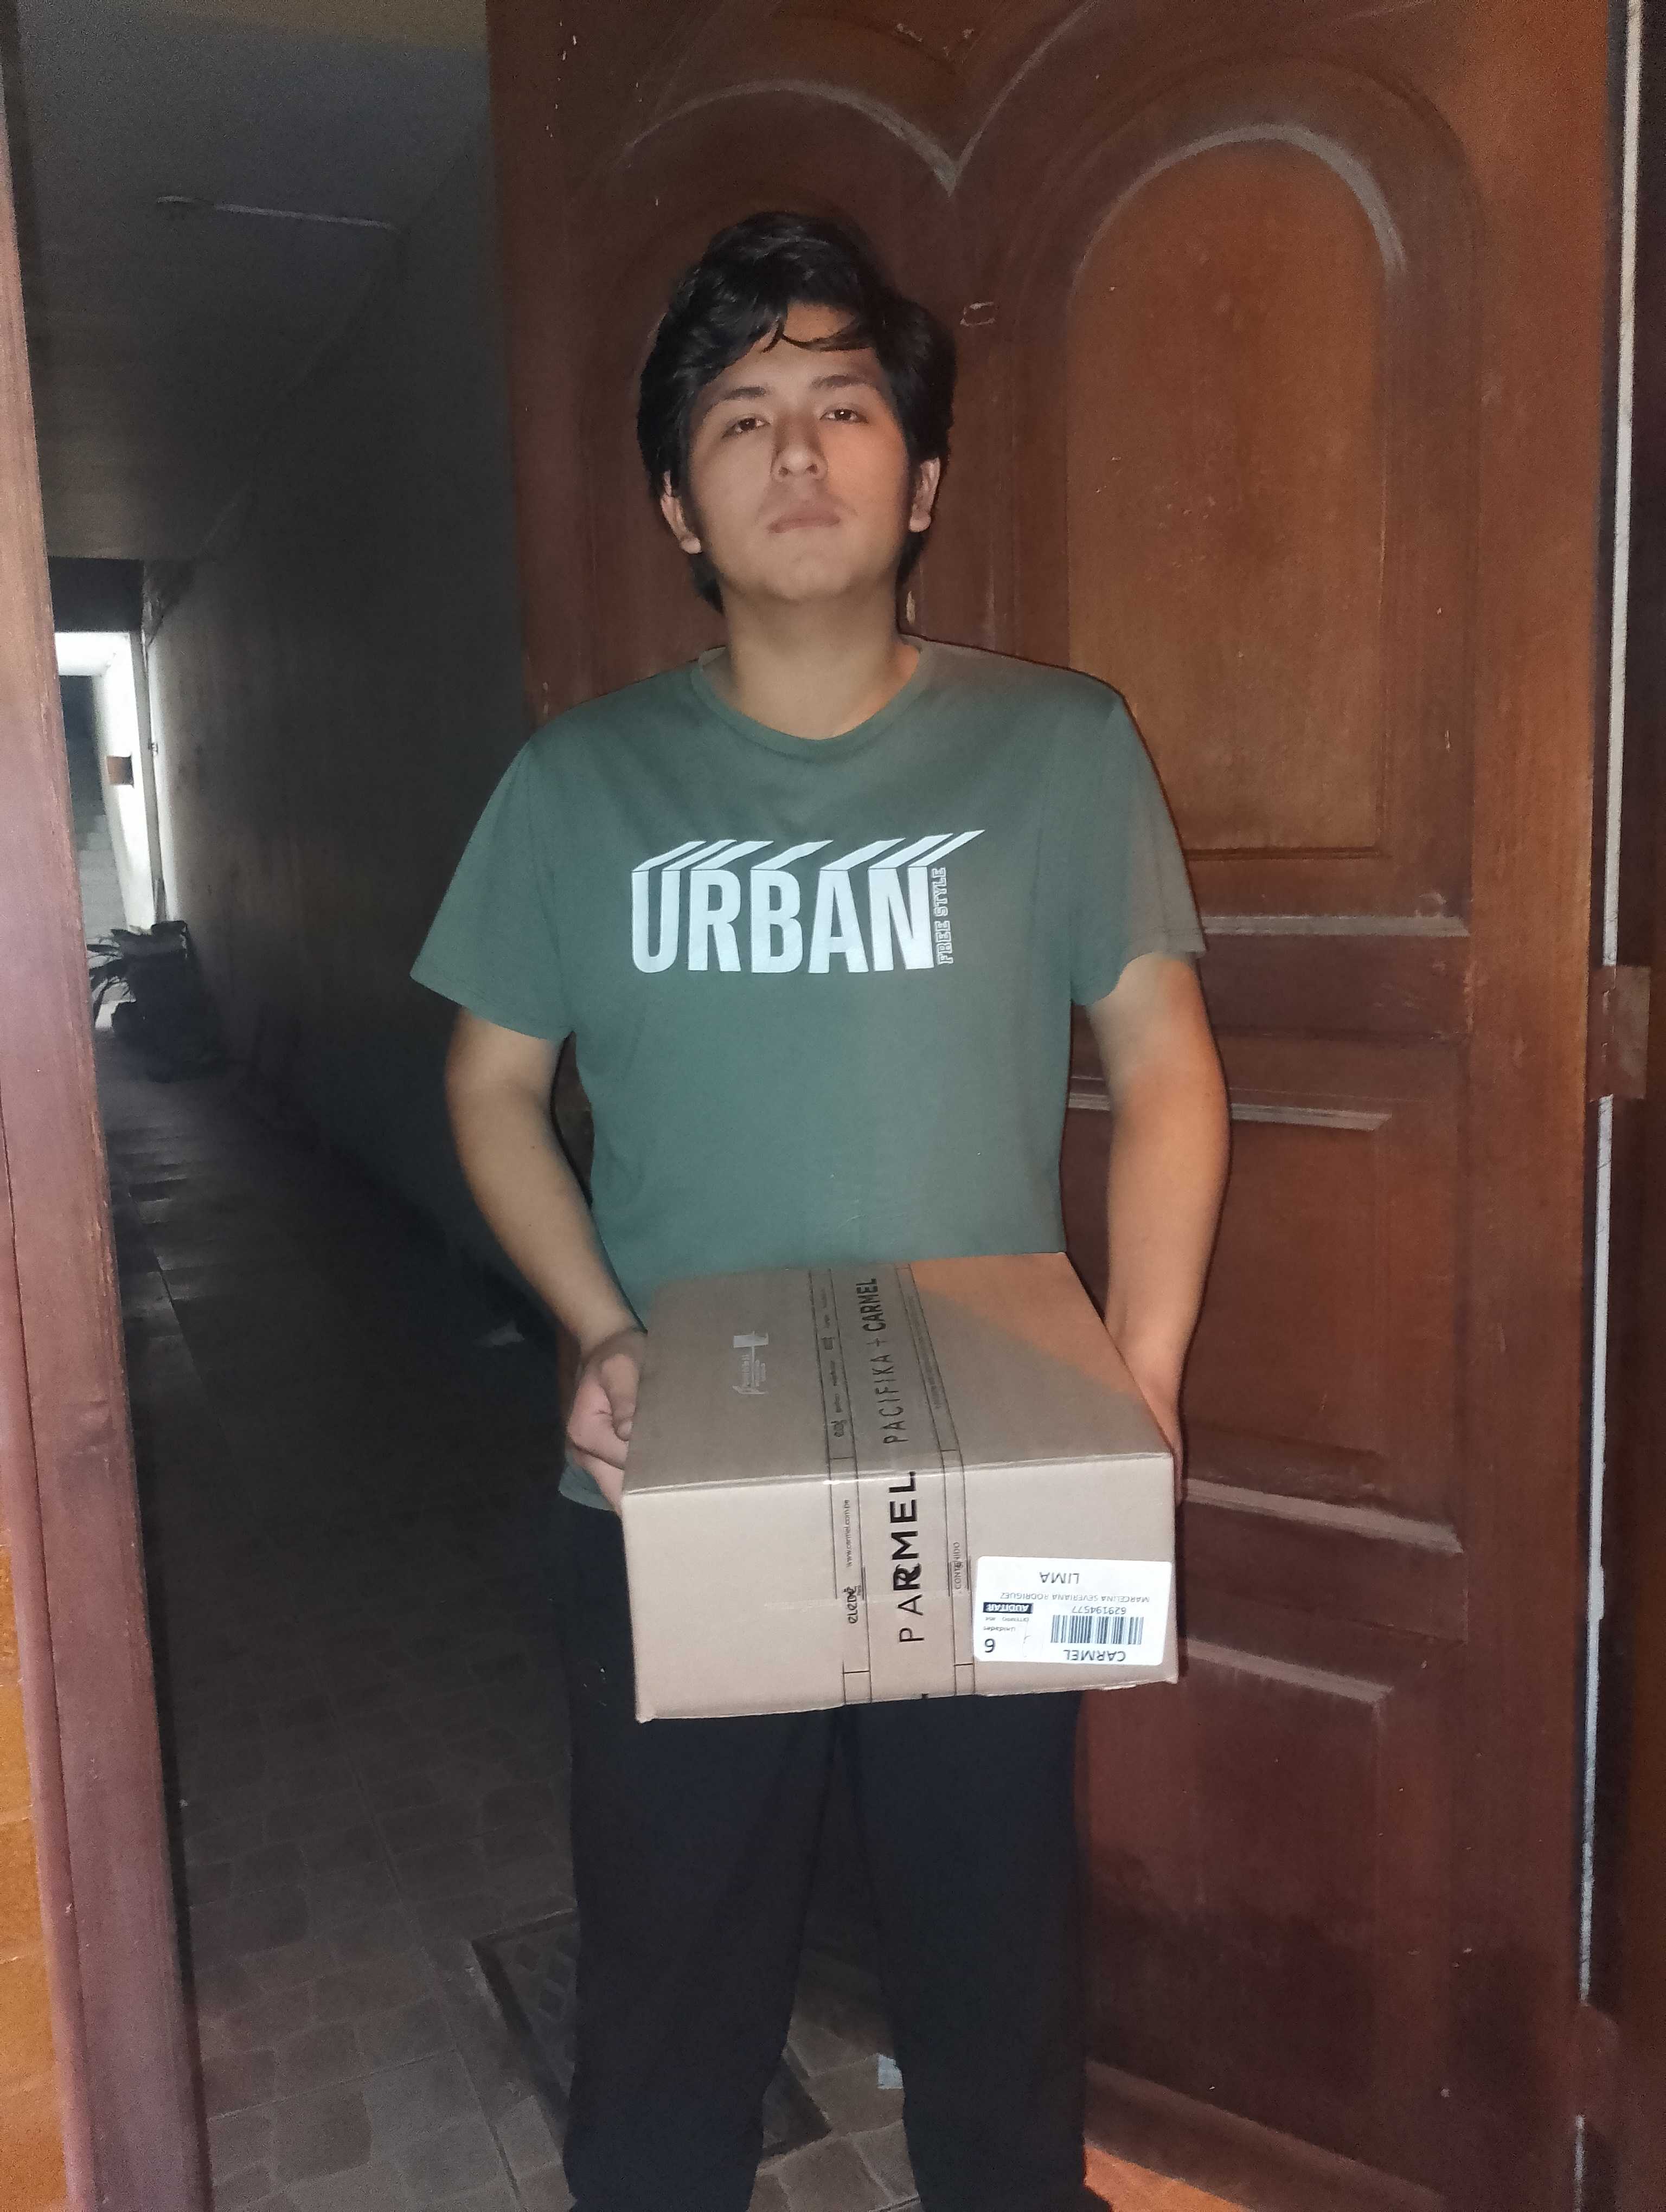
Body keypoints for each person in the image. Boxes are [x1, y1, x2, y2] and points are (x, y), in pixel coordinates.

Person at [412, 210, 1229, 2212]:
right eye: (740, 416)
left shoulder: (1060, 749)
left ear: (920, 477)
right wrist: (601, 1328)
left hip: (996, 1482)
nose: (795, 450)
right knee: (670, 2011)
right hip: (672, 1485)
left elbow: (1168, 1066)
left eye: (843, 406)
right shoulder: (578, 786)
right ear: (675, 508)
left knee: (999, 1996)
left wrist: (1137, 1376)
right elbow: (492, 1086)